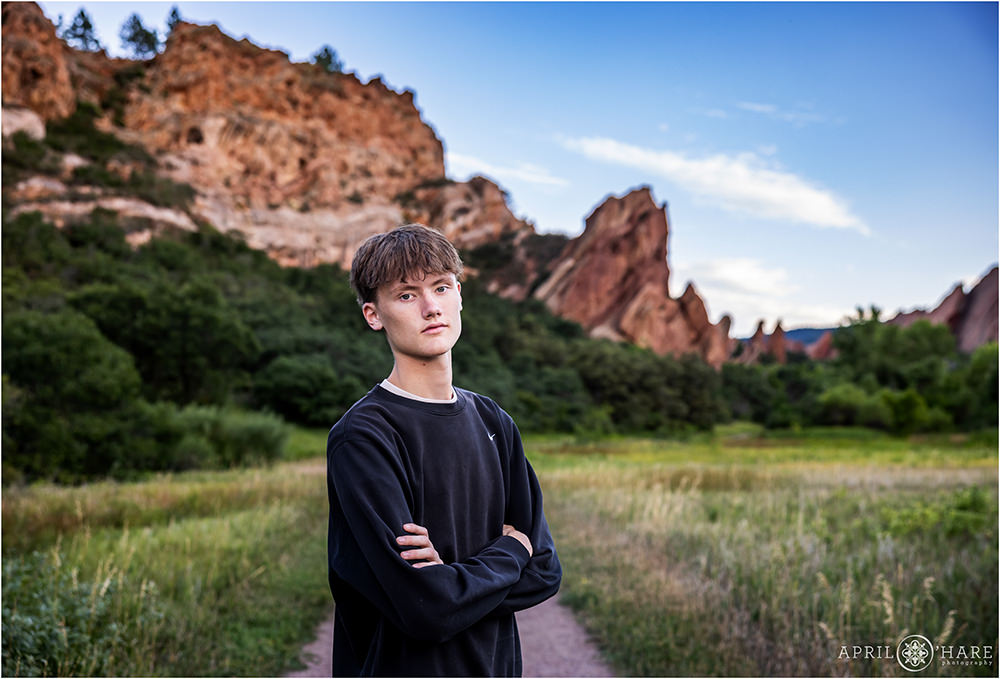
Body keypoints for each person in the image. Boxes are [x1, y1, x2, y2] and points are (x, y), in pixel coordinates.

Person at [326, 224, 562, 677]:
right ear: (374, 315)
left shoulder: (494, 421)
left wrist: (450, 581)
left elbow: (546, 571)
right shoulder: (364, 436)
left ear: (460, 294)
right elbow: (425, 609)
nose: (431, 307)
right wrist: (512, 551)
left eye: (440, 287)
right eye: (407, 295)